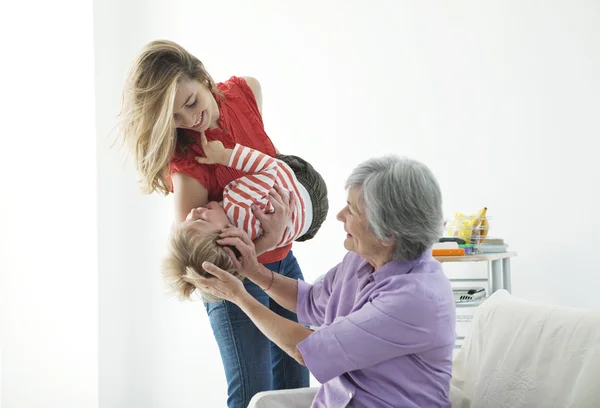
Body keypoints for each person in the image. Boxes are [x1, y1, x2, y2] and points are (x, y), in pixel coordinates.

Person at [118, 39, 311, 407]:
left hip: (282, 264)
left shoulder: (246, 93)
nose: (190, 120)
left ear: (203, 78)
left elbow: (266, 169)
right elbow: (201, 264)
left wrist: (283, 225)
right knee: (253, 392)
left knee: (295, 385)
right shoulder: (189, 166)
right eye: (174, 117)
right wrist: (262, 246)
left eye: (190, 103)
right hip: (232, 283)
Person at [184, 156, 456, 408]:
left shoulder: (414, 299)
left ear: (387, 234)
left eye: (351, 210)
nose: (339, 216)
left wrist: (240, 297)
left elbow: (308, 350)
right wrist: (256, 272)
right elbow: (311, 301)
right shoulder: (361, 260)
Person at [162, 133, 328, 302]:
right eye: (200, 219)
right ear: (227, 236)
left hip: (311, 224)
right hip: (307, 184)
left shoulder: (242, 249)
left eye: (188, 218)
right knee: (272, 159)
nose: (192, 212)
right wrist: (224, 156)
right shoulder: (236, 203)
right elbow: (269, 167)